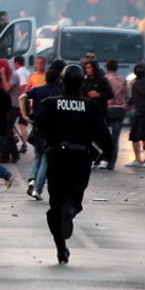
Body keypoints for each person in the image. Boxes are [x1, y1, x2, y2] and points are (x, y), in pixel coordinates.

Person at [35, 65, 112, 264]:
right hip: (80, 158)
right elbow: (104, 135)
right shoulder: (90, 105)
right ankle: (70, 208)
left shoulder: (51, 104)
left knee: (54, 207)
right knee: (75, 197)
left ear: (62, 81)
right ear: (81, 83)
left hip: (57, 158)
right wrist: (107, 153)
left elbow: (39, 129)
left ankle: (61, 247)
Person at [19, 69, 61, 200]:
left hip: (38, 128)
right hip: (53, 129)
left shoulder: (38, 90)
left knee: (38, 156)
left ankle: (32, 180)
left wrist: (25, 115)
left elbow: (22, 97)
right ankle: (37, 190)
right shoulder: (60, 92)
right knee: (46, 160)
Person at [125, 62, 145, 168]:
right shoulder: (136, 82)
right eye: (137, 69)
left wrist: (135, 84)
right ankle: (137, 159)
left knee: (144, 136)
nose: (138, 71)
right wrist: (128, 104)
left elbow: (144, 91)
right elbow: (134, 97)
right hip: (138, 111)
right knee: (133, 136)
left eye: (140, 69)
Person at [103, 60, 128, 170]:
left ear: (107, 67)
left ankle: (104, 159)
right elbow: (127, 95)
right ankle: (112, 163)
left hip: (108, 110)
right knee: (115, 138)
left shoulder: (105, 79)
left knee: (103, 136)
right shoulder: (122, 80)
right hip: (120, 110)